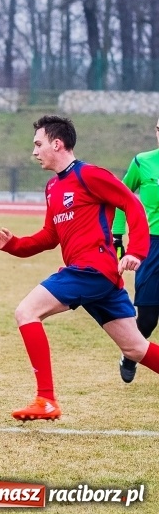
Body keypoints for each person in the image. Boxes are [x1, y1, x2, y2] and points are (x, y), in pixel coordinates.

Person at [0, 114, 159, 421]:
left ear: (57, 143)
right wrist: (13, 245)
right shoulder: (53, 187)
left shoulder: (90, 175)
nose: (34, 151)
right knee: (135, 349)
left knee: (26, 312)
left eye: (38, 144)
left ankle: (46, 400)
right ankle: (46, 400)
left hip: (92, 269)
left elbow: (132, 205)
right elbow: (49, 236)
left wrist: (136, 251)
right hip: (96, 277)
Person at [111, 117, 159, 384]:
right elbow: (120, 197)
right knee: (149, 317)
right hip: (152, 246)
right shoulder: (143, 162)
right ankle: (131, 354)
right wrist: (117, 233)